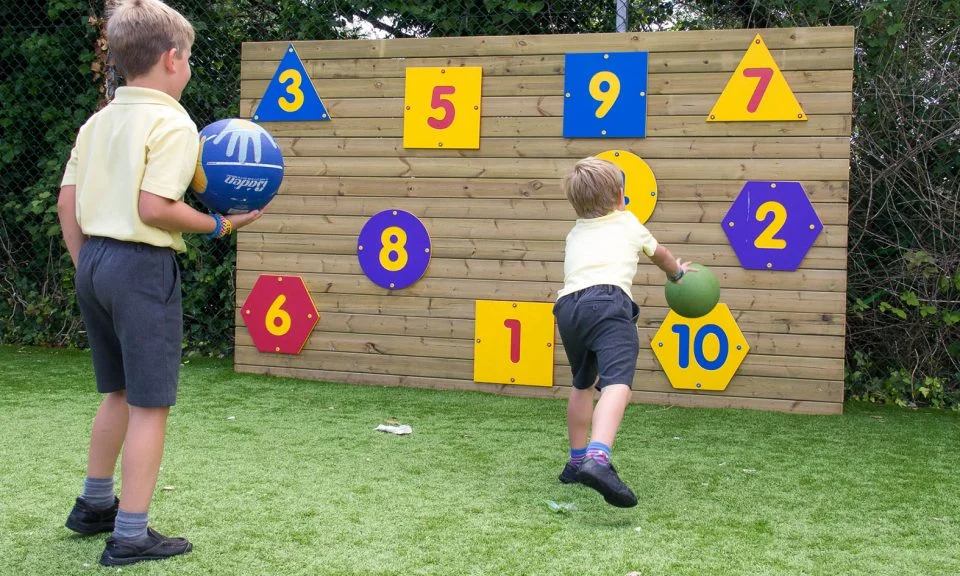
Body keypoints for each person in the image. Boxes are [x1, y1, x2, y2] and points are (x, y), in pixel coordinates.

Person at [57, 0, 264, 566]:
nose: (189, 66)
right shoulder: (173, 123)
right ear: (173, 59)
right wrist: (220, 225)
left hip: (95, 261)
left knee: (118, 392)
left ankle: (94, 505)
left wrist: (88, 265)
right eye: (190, 57)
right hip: (141, 268)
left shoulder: (97, 123)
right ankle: (129, 535)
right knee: (150, 403)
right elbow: (155, 207)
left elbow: (67, 203)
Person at [553, 157, 693, 508]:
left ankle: (575, 462)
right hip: (609, 303)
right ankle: (597, 459)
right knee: (617, 383)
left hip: (568, 308)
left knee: (583, 383)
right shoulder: (628, 222)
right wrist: (676, 273)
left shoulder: (575, 232)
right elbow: (660, 255)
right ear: (620, 197)